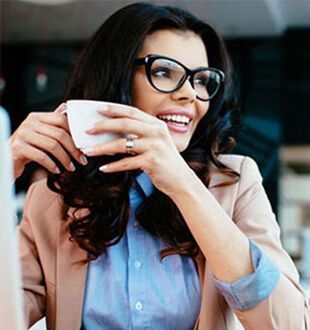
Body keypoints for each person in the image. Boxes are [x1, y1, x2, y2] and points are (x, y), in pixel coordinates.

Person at [8, 2, 310, 330]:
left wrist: (183, 185)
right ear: (117, 79)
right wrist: (1, 172)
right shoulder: (54, 197)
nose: (190, 95)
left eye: (202, 80)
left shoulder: (235, 184)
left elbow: (290, 324)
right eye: (164, 71)